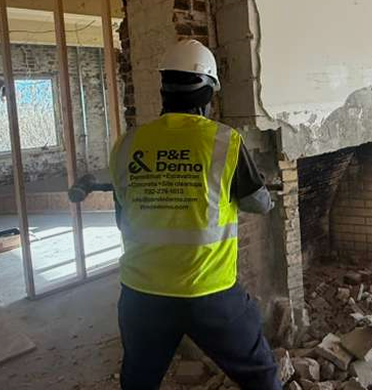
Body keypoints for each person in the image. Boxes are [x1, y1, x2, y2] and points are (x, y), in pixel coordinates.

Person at [109, 39, 280, 390]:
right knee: (261, 376)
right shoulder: (223, 141)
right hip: (209, 292)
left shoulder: (127, 144)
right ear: (209, 92)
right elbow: (258, 204)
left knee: (138, 382)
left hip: (142, 295)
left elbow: (122, 216)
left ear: (163, 89)